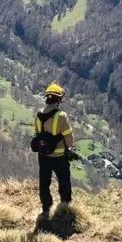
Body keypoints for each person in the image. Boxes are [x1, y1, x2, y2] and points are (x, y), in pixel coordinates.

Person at [30, 82, 74, 217]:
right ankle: (65, 205)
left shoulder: (38, 114)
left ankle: (46, 206)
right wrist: (69, 148)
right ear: (58, 99)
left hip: (43, 155)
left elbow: (37, 133)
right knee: (64, 181)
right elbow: (69, 137)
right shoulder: (61, 116)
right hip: (59, 156)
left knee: (44, 182)